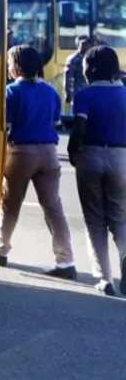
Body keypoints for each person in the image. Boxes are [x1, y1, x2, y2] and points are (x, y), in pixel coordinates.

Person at [0, 45, 77, 278]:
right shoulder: (51, 92)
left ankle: (1, 250)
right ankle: (65, 260)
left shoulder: (12, 92)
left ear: (17, 66)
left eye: (10, 63)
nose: (8, 67)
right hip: (49, 152)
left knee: (10, 205)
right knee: (53, 208)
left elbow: (6, 127)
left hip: (21, 152)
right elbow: (55, 123)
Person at [68, 45, 126, 296]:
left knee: (95, 220)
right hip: (121, 156)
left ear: (89, 70)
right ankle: (125, 253)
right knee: (120, 216)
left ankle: (105, 280)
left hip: (90, 156)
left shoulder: (85, 95)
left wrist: (73, 152)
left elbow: (79, 129)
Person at [64, 34, 93, 107]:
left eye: (88, 43)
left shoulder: (92, 57)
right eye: (83, 43)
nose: (86, 45)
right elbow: (68, 78)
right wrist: (68, 94)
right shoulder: (73, 59)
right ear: (78, 45)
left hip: (91, 93)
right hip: (78, 93)